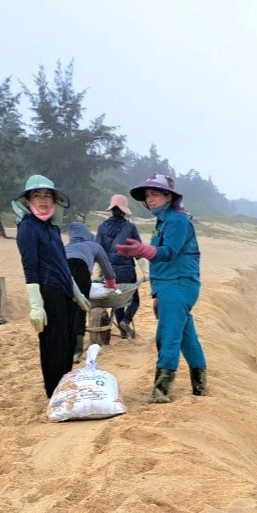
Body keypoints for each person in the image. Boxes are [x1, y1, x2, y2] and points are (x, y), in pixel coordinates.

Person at [116, 173, 207, 403]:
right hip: (170, 285)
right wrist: (157, 294)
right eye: (148, 196)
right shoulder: (165, 219)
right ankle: (200, 386)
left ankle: (161, 392)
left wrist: (141, 251)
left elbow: (168, 253)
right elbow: (160, 263)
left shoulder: (177, 220)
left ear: (169, 196)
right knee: (186, 335)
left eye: (155, 194)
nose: (150, 200)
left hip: (179, 283)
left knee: (167, 336)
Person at [12, 175, 91, 397]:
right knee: (53, 346)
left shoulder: (52, 229)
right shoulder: (28, 228)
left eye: (47, 195)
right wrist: (36, 305)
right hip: (47, 292)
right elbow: (30, 267)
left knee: (67, 344)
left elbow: (62, 264)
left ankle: (64, 389)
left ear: (54, 201)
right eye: (37, 196)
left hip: (64, 293)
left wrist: (76, 293)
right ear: (28, 201)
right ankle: (54, 394)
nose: (43, 200)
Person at [65, 220, 118, 361]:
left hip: (61, 271)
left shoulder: (65, 247)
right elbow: (106, 268)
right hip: (80, 269)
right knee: (80, 308)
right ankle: (76, 351)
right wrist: (111, 285)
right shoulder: (93, 245)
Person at [95, 194, 143, 339]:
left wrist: (100, 273)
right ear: (124, 211)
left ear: (111, 210)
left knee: (117, 300)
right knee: (134, 300)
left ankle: (123, 332)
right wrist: (145, 271)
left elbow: (98, 251)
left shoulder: (102, 227)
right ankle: (126, 321)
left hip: (109, 271)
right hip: (127, 270)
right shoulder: (130, 227)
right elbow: (138, 250)